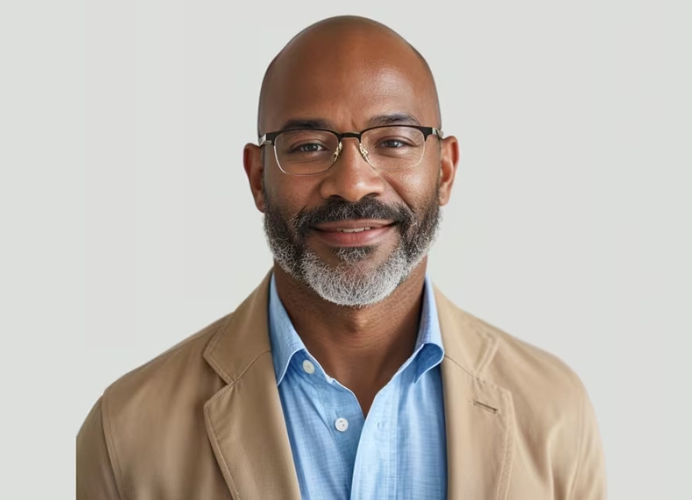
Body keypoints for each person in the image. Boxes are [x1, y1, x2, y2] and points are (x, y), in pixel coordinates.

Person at [77, 15, 606, 500]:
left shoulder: (555, 414)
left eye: (394, 141)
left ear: (444, 171)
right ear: (259, 177)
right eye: (308, 145)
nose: (352, 181)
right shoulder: (125, 434)